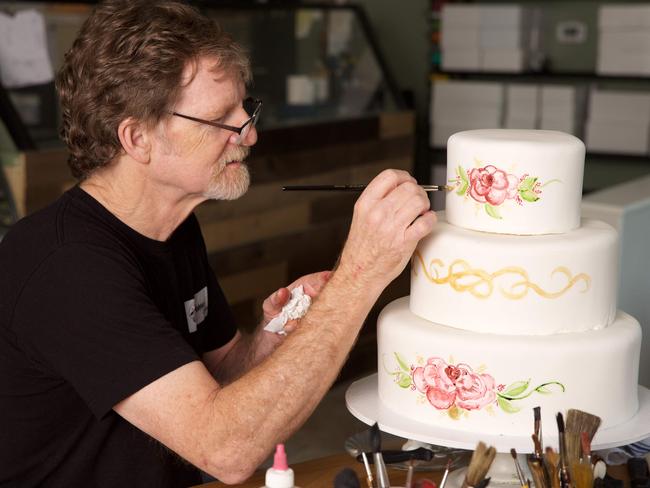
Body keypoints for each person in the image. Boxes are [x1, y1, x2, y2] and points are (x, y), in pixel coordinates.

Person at [0, 1, 436, 486]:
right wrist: (359, 277)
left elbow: (221, 376)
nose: (250, 133)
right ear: (137, 138)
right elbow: (226, 450)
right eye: (220, 120)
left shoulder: (173, 225)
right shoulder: (67, 268)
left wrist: (274, 338)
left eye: (245, 108)